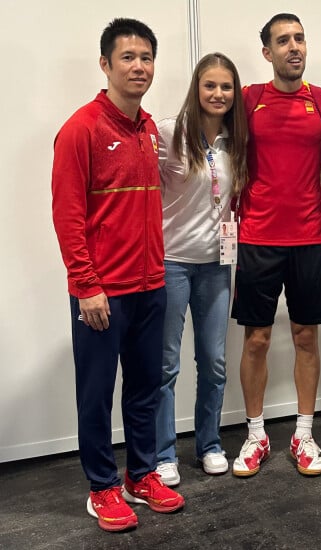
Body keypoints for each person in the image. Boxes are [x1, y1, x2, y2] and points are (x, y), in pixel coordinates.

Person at [51, 18, 184, 532]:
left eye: (146, 57)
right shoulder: (81, 129)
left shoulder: (149, 129)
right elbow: (67, 216)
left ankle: (141, 475)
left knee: (146, 389)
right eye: (127, 57)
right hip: (103, 294)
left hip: (152, 285)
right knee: (96, 392)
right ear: (105, 64)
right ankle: (102, 487)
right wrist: (86, 285)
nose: (139, 67)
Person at [231, 13, 321, 477]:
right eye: (283, 41)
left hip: (310, 239)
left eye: (299, 38)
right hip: (257, 238)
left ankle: (303, 434)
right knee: (256, 339)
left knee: (305, 337)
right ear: (267, 53)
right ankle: (256, 436)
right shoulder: (247, 100)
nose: (294, 47)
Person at [154, 53, 248, 486]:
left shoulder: (236, 140)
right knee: (165, 365)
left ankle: (209, 444)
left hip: (215, 267)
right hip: (171, 264)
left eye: (226, 87)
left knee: (213, 362)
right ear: (197, 88)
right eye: (210, 86)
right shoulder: (169, 133)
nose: (218, 94)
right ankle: (163, 454)